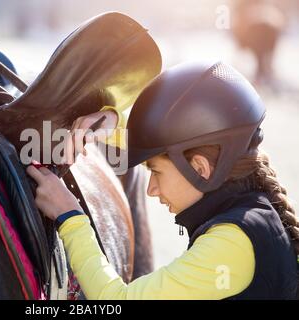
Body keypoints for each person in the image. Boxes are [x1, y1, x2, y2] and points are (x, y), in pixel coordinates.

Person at [27, 61, 299, 299]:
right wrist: (110, 124)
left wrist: (70, 216)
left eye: (155, 172)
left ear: (200, 168)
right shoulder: (253, 215)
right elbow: (163, 145)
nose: (150, 189)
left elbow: (115, 300)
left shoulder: (231, 243)